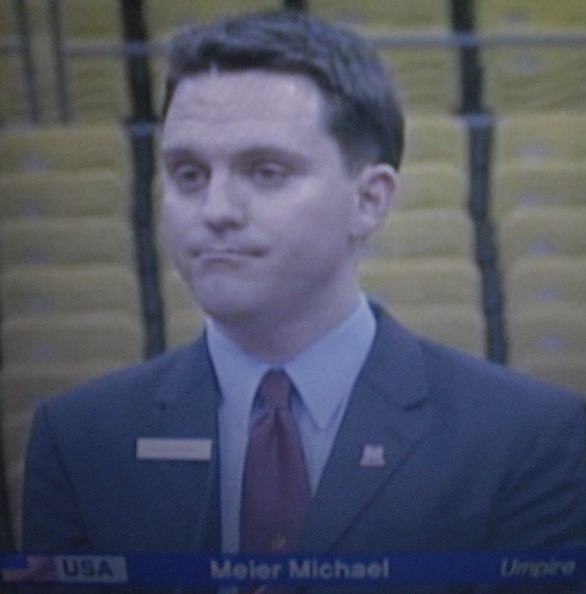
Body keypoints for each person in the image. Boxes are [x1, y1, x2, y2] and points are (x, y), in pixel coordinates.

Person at [21, 9, 586, 594]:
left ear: (369, 201)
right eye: (188, 174)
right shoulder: (79, 440)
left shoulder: (526, 438)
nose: (215, 210)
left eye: (266, 172)